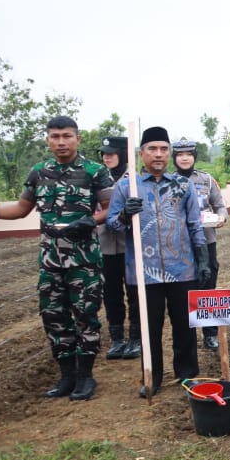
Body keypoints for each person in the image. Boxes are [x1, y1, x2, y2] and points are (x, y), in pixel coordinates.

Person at [0, 116, 113, 401]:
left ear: (77, 139)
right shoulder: (38, 172)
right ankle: (66, 376)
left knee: (86, 316)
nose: (61, 142)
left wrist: (91, 221)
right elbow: (22, 208)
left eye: (66, 136)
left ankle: (85, 377)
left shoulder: (94, 171)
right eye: (55, 136)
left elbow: (110, 207)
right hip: (50, 261)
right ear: (47, 140)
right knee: (54, 317)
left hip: (84, 262)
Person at [107, 126, 211, 397]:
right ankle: (151, 377)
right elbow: (111, 226)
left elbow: (194, 225)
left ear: (170, 154)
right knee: (148, 328)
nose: (158, 154)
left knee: (184, 326)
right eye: (152, 149)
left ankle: (187, 375)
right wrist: (124, 216)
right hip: (143, 273)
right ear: (141, 154)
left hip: (182, 269)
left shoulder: (183, 185)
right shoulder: (126, 187)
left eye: (164, 149)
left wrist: (202, 259)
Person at [172, 137, 228, 350]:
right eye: (179, 154)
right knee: (183, 289)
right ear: (174, 158)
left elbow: (219, 205)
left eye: (188, 154)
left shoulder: (206, 179)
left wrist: (221, 217)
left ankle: (210, 333)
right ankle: (187, 336)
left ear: (194, 157)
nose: (184, 158)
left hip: (206, 240)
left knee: (208, 286)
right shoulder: (168, 181)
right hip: (179, 244)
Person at [96, 136, 142, 360]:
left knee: (134, 292)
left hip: (130, 245)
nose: (107, 156)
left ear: (123, 154)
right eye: (104, 153)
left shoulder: (134, 179)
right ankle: (117, 339)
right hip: (104, 244)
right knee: (111, 293)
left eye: (112, 152)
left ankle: (136, 338)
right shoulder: (97, 177)